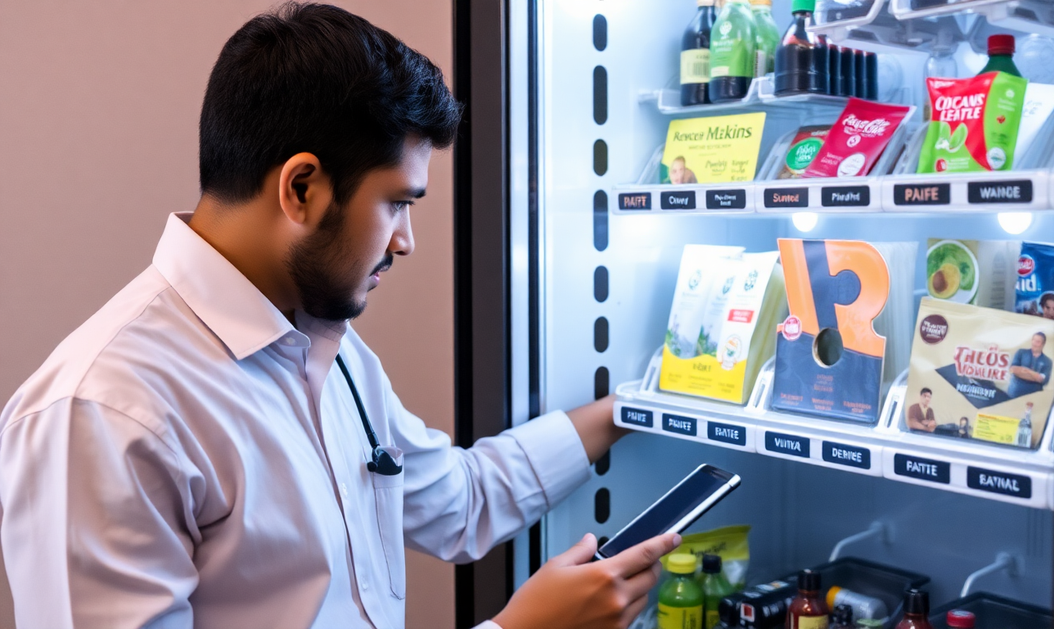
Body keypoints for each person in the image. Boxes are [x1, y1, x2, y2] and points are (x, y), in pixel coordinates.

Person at [0, 5, 679, 629]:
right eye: (397, 203)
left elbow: (461, 498)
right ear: (301, 188)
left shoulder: (328, 347)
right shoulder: (102, 410)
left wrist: (639, 405)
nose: (405, 241)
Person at [1008, 332, 1053, 398]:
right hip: (1015, 394)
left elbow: (1043, 380)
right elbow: (1013, 370)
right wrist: (1035, 375)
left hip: (1034, 398)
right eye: (1033, 340)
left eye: (1037, 341)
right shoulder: (1021, 352)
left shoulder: (1047, 361)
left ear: (1043, 344)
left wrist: (1027, 371)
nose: (1034, 344)